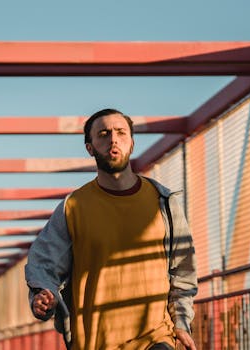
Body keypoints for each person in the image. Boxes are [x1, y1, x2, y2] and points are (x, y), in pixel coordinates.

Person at [25, 108, 198, 350]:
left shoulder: (164, 202)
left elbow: (183, 270)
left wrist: (180, 322)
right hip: (94, 342)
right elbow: (43, 263)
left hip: (156, 338)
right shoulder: (73, 207)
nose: (113, 140)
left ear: (132, 143)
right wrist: (43, 294)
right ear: (90, 147)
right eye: (104, 134)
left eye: (121, 133)